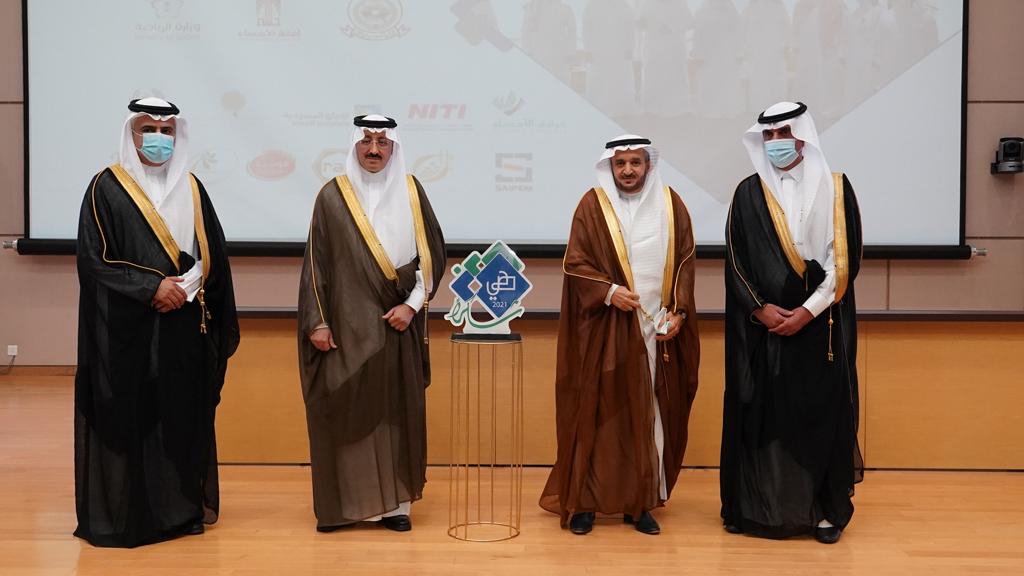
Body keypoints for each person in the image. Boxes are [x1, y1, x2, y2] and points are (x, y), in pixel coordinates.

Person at [74, 97, 239, 548]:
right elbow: (95, 259)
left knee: (182, 414)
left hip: (183, 325)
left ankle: (182, 510)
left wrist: (183, 288)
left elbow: (212, 254)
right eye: (149, 129)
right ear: (131, 133)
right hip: (128, 331)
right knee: (136, 415)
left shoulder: (192, 188)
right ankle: (134, 515)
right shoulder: (106, 188)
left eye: (167, 132)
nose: (158, 139)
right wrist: (151, 287)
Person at [540, 135, 700, 536]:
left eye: (635, 163)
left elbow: (685, 260)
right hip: (604, 327)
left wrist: (678, 311)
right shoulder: (592, 205)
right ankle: (585, 504)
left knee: (648, 415)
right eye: (620, 164)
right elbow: (575, 262)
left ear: (648, 165)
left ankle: (639, 503)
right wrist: (610, 292)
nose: (628, 171)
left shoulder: (671, 204)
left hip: (654, 330)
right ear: (610, 167)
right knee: (597, 412)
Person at [721, 101, 863, 544]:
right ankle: (763, 510)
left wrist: (809, 311)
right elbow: (736, 260)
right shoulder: (748, 192)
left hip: (820, 326)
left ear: (803, 136)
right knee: (765, 417)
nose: (776, 142)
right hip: (764, 327)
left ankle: (824, 513)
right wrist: (759, 307)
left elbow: (845, 260)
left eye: (784, 133)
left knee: (819, 416)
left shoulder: (837, 188)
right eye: (768, 135)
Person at [297, 115, 446, 533]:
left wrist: (412, 306)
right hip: (346, 328)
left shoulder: (412, 191)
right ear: (354, 146)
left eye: (383, 142)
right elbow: (316, 264)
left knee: (395, 414)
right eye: (366, 141)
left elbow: (431, 256)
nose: (374, 150)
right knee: (346, 412)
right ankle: (347, 506)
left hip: (398, 325)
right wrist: (318, 323)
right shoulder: (332, 196)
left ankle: (397, 507)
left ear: (394, 147)